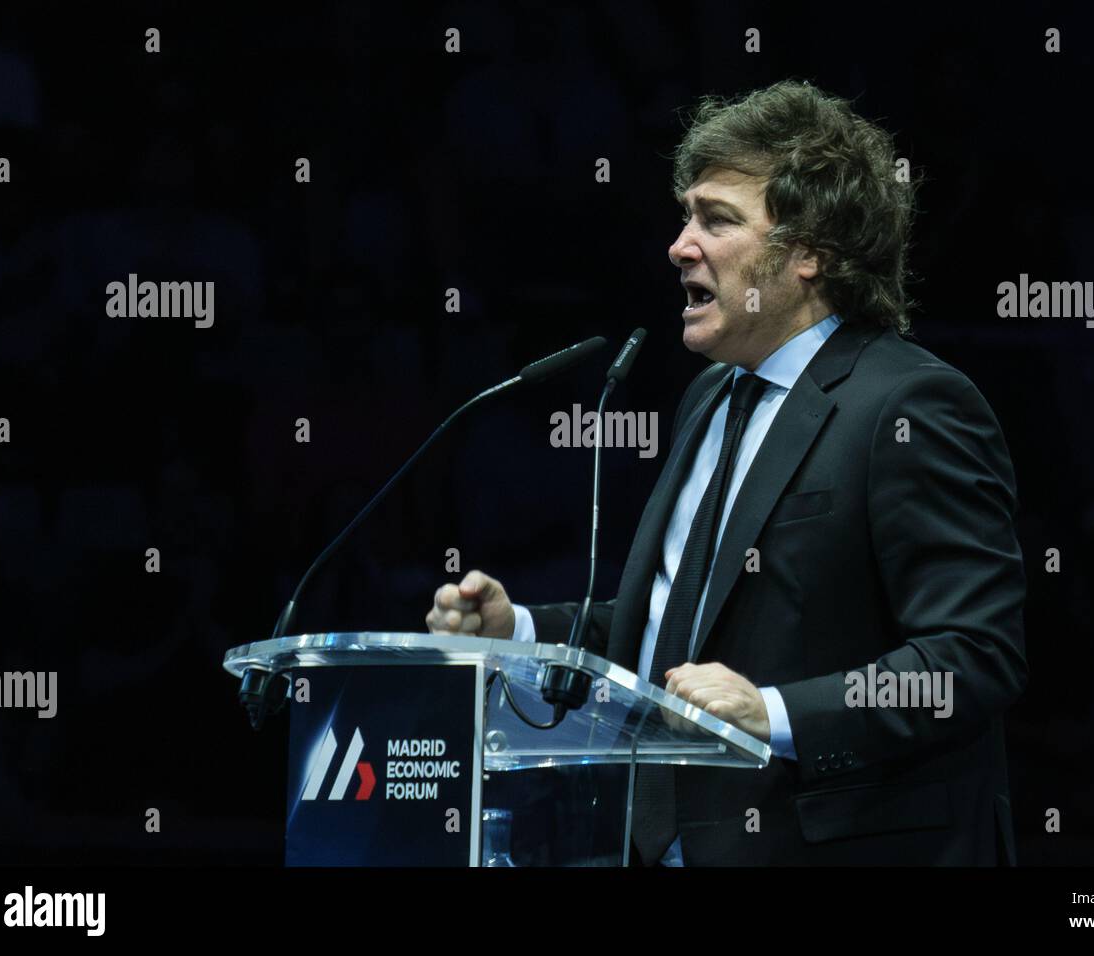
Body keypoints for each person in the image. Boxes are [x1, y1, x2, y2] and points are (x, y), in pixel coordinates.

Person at [426, 79, 1027, 866]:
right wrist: (523, 633)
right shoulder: (711, 398)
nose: (681, 244)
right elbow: (680, 629)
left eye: (716, 219)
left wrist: (772, 711)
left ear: (811, 251)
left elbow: (971, 658)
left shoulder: (910, 404)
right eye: (685, 216)